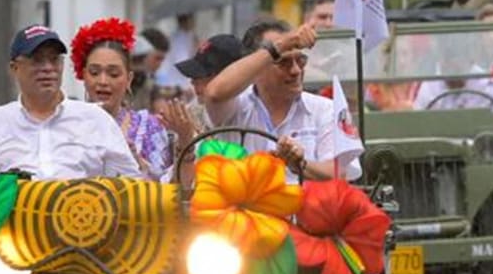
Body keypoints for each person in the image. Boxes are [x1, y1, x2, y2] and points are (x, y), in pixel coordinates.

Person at [0, 25, 142, 182]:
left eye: (54, 60)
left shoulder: (96, 120)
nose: (47, 68)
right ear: (14, 68)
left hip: (82, 230)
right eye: (37, 60)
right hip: (8, 234)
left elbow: (130, 186)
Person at [202, 20, 361, 181]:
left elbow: (340, 173)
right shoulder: (236, 106)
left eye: (300, 61)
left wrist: (299, 164)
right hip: (244, 204)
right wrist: (280, 46)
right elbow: (214, 93)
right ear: (257, 67)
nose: (296, 70)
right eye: (283, 62)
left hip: (304, 204)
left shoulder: (326, 109)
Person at [70, 17, 194, 181]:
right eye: (94, 72)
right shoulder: (67, 125)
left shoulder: (148, 127)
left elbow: (171, 193)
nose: (103, 81)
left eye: (113, 74)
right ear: (84, 76)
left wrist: (140, 168)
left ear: (128, 79)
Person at [155, 13, 197, 90]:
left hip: (173, 79)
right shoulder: (180, 38)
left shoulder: (183, 36)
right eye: (192, 19)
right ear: (186, 21)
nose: (194, 23)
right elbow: (182, 61)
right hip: (180, 82)